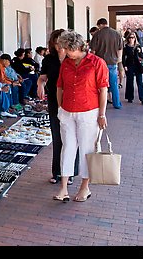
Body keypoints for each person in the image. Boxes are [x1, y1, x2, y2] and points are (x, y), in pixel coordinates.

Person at [53, 30, 109, 203]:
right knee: (68, 147)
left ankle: (85, 187)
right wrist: (60, 107)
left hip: (89, 112)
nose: (64, 52)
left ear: (77, 47)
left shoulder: (97, 63)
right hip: (67, 112)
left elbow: (103, 90)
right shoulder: (66, 64)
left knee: (86, 150)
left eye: (67, 49)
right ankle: (63, 188)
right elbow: (60, 86)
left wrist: (102, 114)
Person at [37, 29, 78, 186]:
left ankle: (71, 172)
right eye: (55, 43)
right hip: (55, 100)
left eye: (61, 43)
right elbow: (43, 77)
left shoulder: (73, 57)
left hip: (72, 101)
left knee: (72, 137)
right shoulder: (49, 59)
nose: (58, 47)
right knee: (57, 136)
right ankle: (57, 172)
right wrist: (40, 85)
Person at [89, 18, 123, 109]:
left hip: (100, 63)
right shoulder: (117, 34)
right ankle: (117, 104)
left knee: (100, 84)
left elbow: (93, 51)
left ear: (100, 25)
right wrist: (118, 60)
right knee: (114, 84)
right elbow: (120, 49)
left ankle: (100, 104)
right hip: (113, 62)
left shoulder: (97, 34)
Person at [122, 32, 143, 104]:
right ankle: (130, 97)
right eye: (130, 37)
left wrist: (140, 52)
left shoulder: (138, 47)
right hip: (129, 65)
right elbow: (124, 57)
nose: (131, 39)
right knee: (130, 81)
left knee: (139, 82)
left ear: (135, 38)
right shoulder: (126, 47)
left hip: (137, 65)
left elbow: (142, 56)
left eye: (132, 37)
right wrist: (125, 66)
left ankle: (142, 98)